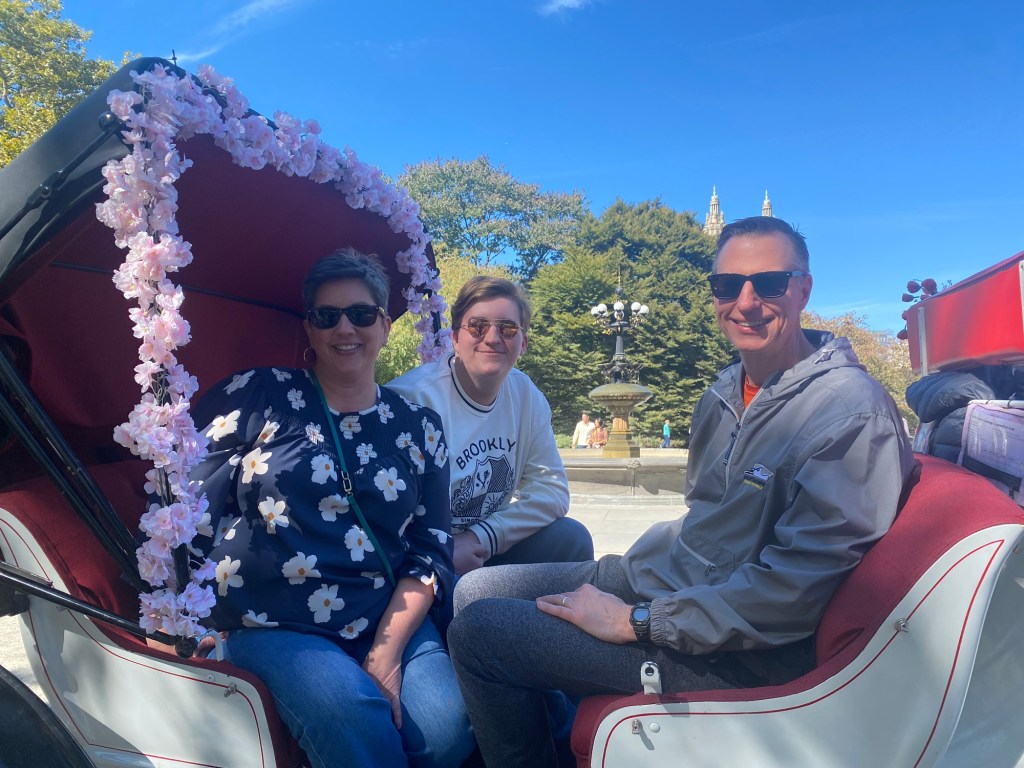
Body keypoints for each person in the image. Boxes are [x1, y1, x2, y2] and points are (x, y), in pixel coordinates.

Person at [446, 216, 915, 768]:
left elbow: (791, 594)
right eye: (726, 284)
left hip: (738, 649)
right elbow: (705, 521)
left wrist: (636, 622)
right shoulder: (723, 391)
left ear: (803, 288)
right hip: (668, 586)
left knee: (481, 634)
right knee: (474, 590)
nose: (745, 301)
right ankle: (556, 732)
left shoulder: (850, 414)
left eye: (768, 283)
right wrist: (631, 584)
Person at [181, 250, 475, 768]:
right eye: (327, 315)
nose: (346, 328)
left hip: (382, 611)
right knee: (355, 719)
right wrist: (190, 613)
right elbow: (190, 506)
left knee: (446, 731)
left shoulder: (419, 426)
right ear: (310, 329)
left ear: (384, 326)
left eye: (361, 314)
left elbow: (430, 550)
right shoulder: (257, 394)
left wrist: (385, 655)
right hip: (273, 620)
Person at [389, 276, 593, 575]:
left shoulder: (527, 398)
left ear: (523, 343)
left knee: (570, 538)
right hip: (419, 558)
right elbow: (381, 516)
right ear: (455, 338)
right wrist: (441, 550)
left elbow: (551, 491)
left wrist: (481, 537)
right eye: (477, 327)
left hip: (481, 550)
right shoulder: (410, 401)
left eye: (507, 328)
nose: (493, 337)